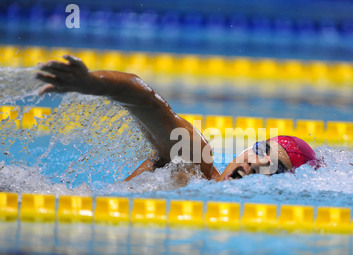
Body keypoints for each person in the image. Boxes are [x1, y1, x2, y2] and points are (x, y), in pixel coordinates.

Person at [36, 55, 319, 183]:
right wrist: (94, 85)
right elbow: (147, 101)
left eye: (273, 168)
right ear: (246, 149)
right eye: (260, 151)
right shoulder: (196, 162)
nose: (255, 162)